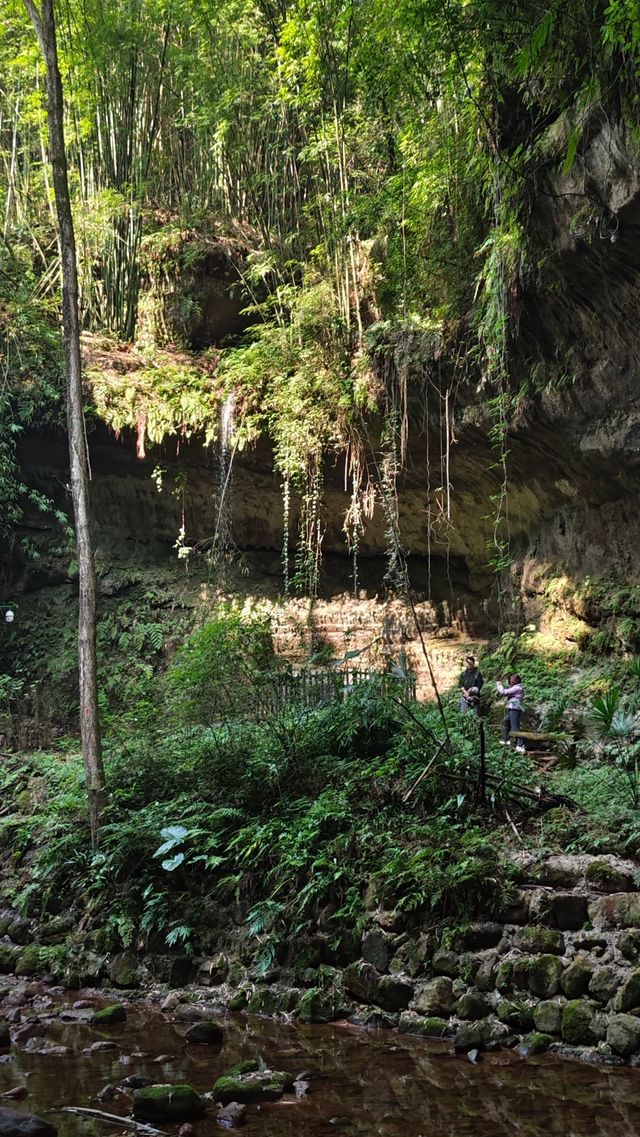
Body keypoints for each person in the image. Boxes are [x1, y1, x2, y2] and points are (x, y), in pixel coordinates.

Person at [497, 674, 524, 746]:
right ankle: (505, 739)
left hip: (515, 709)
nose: (511, 681)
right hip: (511, 708)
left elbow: (504, 692)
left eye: (512, 680)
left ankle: (520, 745)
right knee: (505, 722)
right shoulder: (515, 687)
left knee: (515, 727)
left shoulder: (518, 688)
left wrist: (499, 685)